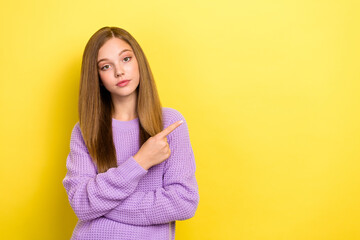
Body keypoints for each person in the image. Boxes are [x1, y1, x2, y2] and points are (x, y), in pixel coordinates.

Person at [62, 26, 200, 240]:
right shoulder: (85, 130)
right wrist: (140, 161)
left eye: (125, 59)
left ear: (139, 62)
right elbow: (81, 203)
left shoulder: (169, 123)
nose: (119, 71)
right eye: (106, 66)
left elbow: (183, 202)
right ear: (97, 77)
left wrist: (101, 205)